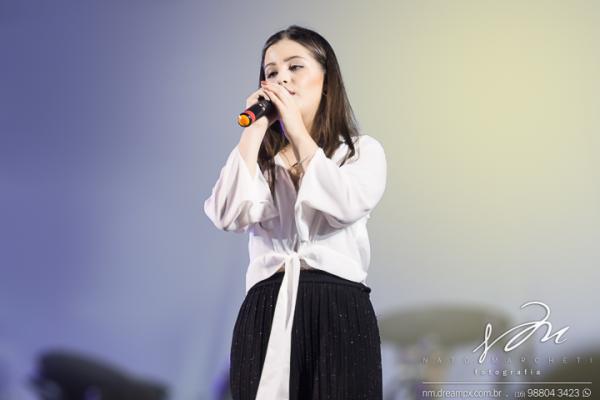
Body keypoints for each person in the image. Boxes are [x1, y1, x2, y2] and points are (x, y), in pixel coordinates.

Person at [204, 25, 386, 400]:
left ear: (327, 81)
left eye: (295, 67)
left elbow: (346, 204)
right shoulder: (260, 165)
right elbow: (225, 213)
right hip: (266, 307)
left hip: (337, 309)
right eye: (271, 72)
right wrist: (253, 131)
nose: (281, 78)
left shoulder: (359, 152)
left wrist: (298, 133)